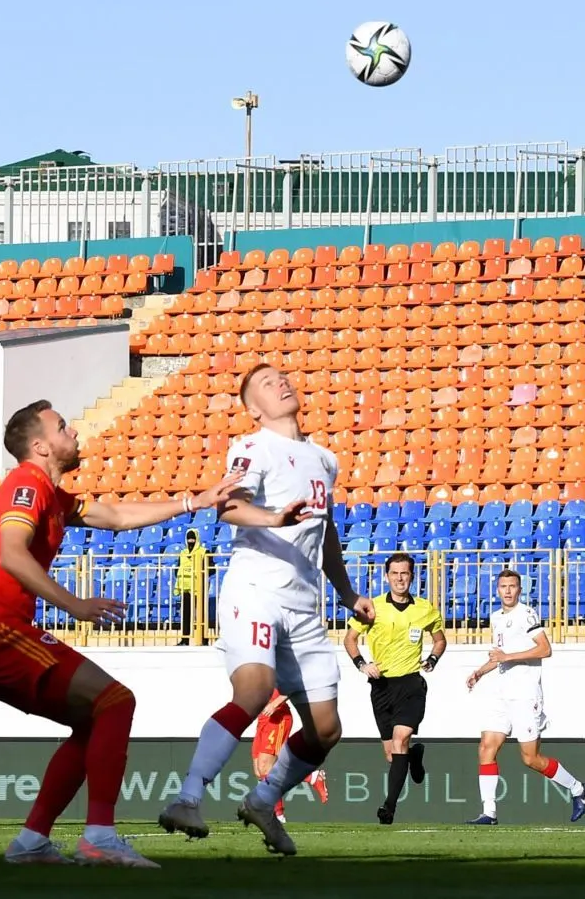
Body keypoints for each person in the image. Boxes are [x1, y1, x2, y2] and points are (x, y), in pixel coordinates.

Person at [0, 399, 242, 868]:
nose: (74, 431)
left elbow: (114, 517)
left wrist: (193, 502)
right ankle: (99, 837)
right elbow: (11, 553)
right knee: (116, 700)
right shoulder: (27, 483)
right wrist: (75, 605)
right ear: (41, 446)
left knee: (94, 718)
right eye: (62, 426)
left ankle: (31, 842)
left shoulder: (50, 491)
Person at [157, 364, 375, 857]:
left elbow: (327, 533)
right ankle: (188, 796)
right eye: (266, 383)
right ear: (253, 408)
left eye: (282, 377)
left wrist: (346, 593)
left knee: (326, 729)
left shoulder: (324, 459)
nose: (281, 383)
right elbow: (229, 507)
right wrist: (275, 517)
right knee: (253, 690)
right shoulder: (252, 448)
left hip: (305, 607)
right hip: (255, 588)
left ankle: (263, 800)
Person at [463, 568, 585, 825]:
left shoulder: (526, 614)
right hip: (502, 692)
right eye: (503, 586)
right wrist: (480, 672)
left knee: (530, 758)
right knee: (487, 747)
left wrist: (507, 658)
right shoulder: (496, 617)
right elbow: (500, 655)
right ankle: (489, 812)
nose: (507, 591)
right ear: (497, 590)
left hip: (525, 693)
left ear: (519, 589)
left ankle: (578, 788)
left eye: (512, 586)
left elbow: (545, 649)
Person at [345, 550, 445, 824]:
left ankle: (388, 808)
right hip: (381, 686)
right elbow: (350, 640)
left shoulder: (425, 609)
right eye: (395, 573)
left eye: (405, 573)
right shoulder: (373, 607)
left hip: (411, 684)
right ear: (386, 576)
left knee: (400, 739)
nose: (400, 578)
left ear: (413, 576)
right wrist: (362, 664)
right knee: (392, 754)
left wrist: (433, 658)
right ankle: (414, 755)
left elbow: (439, 640)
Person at [250, 690, 331, 818]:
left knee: (265, 767)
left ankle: (278, 816)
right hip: (263, 718)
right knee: (260, 772)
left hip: (277, 716)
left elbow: (293, 686)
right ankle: (311, 777)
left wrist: (274, 704)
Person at [175, 529, 211, 646]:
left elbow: (211, 568)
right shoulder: (183, 553)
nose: (191, 541)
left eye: (193, 539)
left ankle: (204, 640)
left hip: (199, 587)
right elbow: (177, 568)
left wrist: (200, 574)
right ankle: (185, 639)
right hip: (186, 587)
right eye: (189, 539)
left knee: (201, 614)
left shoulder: (204, 551)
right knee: (186, 614)